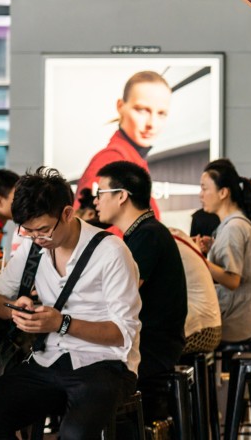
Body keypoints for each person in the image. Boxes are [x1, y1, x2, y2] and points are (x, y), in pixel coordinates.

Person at [0, 167, 142, 440]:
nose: (38, 238)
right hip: (47, 360)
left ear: (67, 213)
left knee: (75, 434)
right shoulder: (33, 248)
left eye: (44, 230)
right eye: (28, 231)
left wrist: (61, 323)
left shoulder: (111, 252)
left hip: (105, 363)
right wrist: (15, 309)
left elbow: (123, 334)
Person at [93, 160, 188, 396]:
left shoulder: (148, 235)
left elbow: (122, 292)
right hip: (146, 340)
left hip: (152, 348)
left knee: (76, 371)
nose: (95, 201)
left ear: (121, 196)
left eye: (100, 193)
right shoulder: (142, 231)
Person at [75, 71, 172, 223]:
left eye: (161, 113)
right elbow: (87, 230)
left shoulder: (132, 162)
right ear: (120, 106)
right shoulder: (112, 161)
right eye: (142, 110)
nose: (152, 124)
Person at [197, 159, 251, 345]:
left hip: (237, 319)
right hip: (248, 314)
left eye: (204, 188)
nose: (200, 195)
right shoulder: (238, 223)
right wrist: (213, 248)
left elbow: (232, 280)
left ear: (223, 193)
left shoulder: (234, 228)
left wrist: (199, 261)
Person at [168, 228, 222, 355]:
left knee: (142, 345)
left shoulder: (154, 240)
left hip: (201, 329)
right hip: (211, 325)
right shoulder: (176, 235)